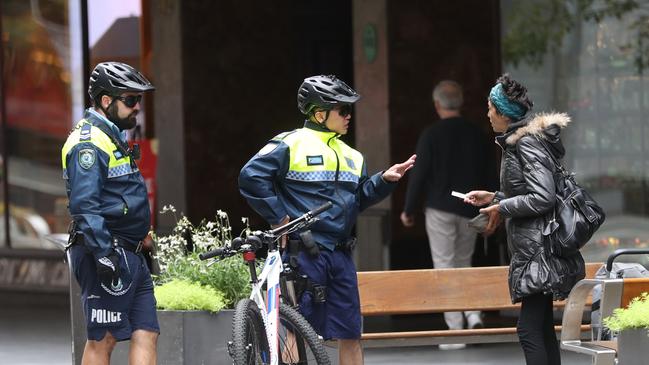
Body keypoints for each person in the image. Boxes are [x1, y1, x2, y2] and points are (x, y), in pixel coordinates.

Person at [239, 74, 416, 365]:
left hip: (341, 255)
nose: (349, 116)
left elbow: (357, 198)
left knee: (351, 334)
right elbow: (250, 176)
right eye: (342, 110)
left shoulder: (352, 155)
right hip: (303, 255)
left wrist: (384, 180)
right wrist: (279, 218)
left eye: (350, 109)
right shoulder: (289, 143)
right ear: (319, 113)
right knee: (295, 330)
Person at [464, 74, 585, 364]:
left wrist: (501, 207)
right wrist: (494, 198)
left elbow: (542, 196)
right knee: (541, 329)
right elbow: (527, 193)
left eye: (490, 108)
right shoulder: (523, 141)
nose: (487, 113)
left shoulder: (526, 143)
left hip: (538, 249)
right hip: (535, 246)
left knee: (529, 330)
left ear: (504, 113)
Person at [61, 62, 159, 365]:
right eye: (130, 100)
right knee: (103, 339)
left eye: (139, 100)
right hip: (106, 253)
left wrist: (141, 234)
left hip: (131, 254)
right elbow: (85, 205)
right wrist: (105, 255)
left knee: (146, 332)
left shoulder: (114, 136)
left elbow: (119, 195)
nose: (137, 107)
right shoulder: (87, 143)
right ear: (106, 101)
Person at [400, 80, 495, 349]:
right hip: (470, 207)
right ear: (461, 102)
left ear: (437, 104)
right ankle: (473, 313)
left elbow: (418, 175)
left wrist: (408, 209)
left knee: (444, 266)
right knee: (465, 263)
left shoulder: (431, 134)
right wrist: (492, 209)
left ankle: (455, 331)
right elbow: (490, 172)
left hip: (440, 208)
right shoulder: (477, 133)